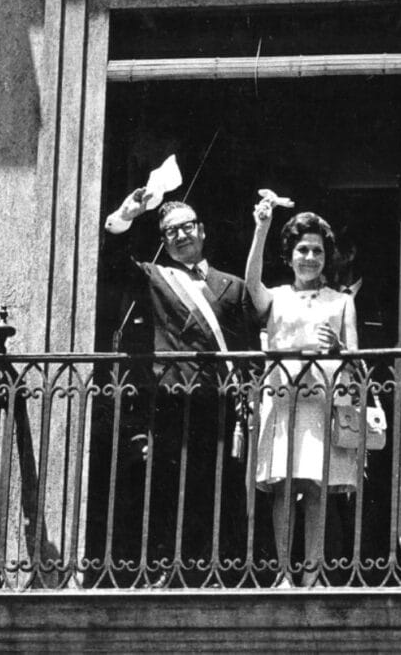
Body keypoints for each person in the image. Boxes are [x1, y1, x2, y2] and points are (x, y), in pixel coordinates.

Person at [94, 187, 262, 587]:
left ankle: (220, 572)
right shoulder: (155, 277)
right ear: (164, 242)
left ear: (202, 231)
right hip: (171, 402)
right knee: (169, 490)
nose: (181, 235)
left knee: (219, 489)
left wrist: (253, 397)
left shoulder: (233, 286)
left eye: (187, 227)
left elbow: (250, 351)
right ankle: (168, 574)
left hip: (220, 404)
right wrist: (125, 215)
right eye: (171, 232)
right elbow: (114, 264)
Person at [245, 201, 360, 587]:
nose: (310, 257)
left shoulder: (342, 301)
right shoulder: (277, 296)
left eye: (317, 251)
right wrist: (261, 229)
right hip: (284, 401)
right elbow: (251, 286)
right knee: (284, 485)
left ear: (327, 257)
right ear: (290, 256)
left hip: (323, 401)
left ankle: (311, 573)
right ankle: (282, 573)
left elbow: (357, 362)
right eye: (302, 250)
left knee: (316, 488)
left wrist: (338, 347)